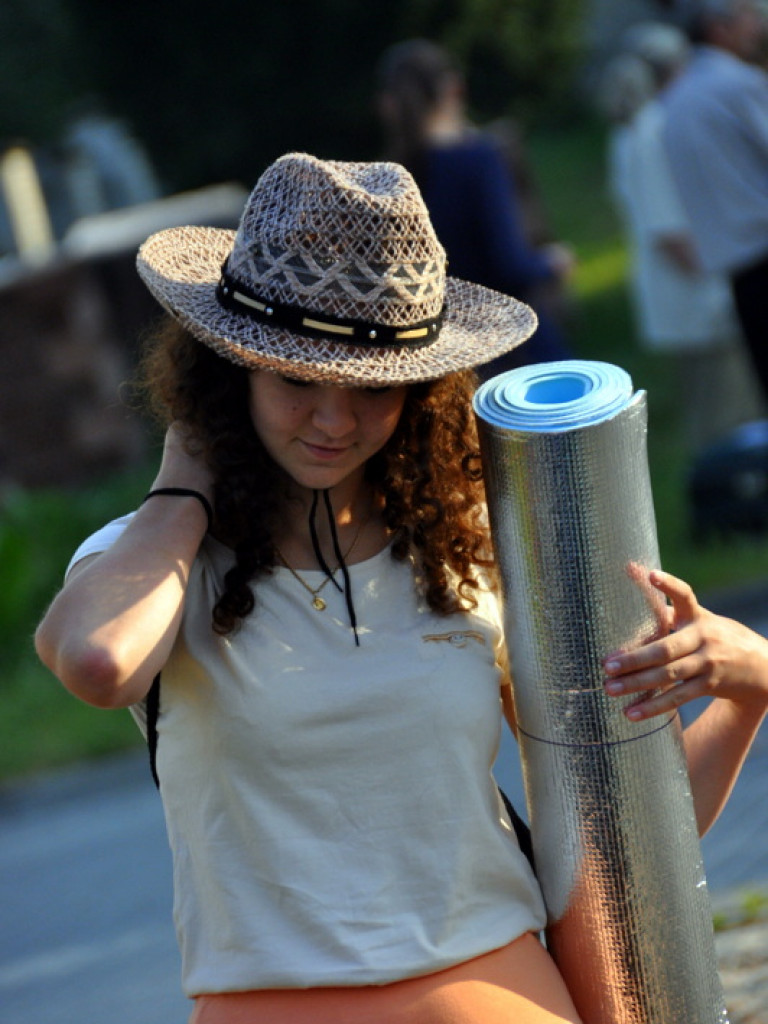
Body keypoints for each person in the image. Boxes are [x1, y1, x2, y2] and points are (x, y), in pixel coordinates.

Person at [34, 152, 768, 1024]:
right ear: (228, 371)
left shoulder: (473, 545)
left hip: (493, 991)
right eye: (297, 377)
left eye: (372, 385)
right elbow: (96, 662)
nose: (336, 420)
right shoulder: (151, 565)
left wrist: (751, 684)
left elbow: (616, 842)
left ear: (419, 388)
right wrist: (185, 481)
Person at [600, 24, 764, 449]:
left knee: (717, 402)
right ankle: (729, 497)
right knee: (724, 410)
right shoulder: (654, 127)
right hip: (696, 287)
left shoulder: (639, 126)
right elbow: (669, 228)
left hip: (688, 284)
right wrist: (722, 276)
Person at [375, 38, 575, 380]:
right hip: (513, 346)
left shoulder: (389, 181)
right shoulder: (478, 160)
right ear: (454, 88)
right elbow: (510, 265)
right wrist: (552, 262)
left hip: (444, 361)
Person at [661, 0, 768, 403]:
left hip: (739, 274)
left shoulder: (674, 101)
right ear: (718, 27)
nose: (757, 26)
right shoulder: (740, 82)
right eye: (748, 16)